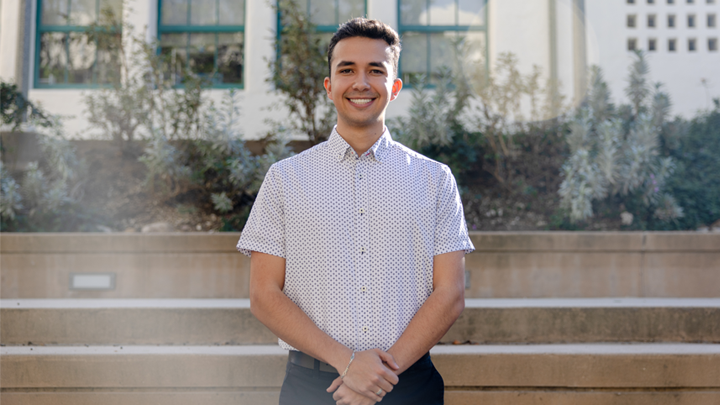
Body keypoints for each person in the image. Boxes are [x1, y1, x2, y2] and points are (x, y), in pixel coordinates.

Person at [237, 17, 474, 405]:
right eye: (347, 70)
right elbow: (264, 295)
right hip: (312, 389)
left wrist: (377, 374)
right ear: (329, 86)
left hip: (408, 386)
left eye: (375, 71)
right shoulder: (285, 179)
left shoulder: (435, 179)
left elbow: (450, 293)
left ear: (394, 88)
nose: (361, 82)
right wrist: (348, 364)